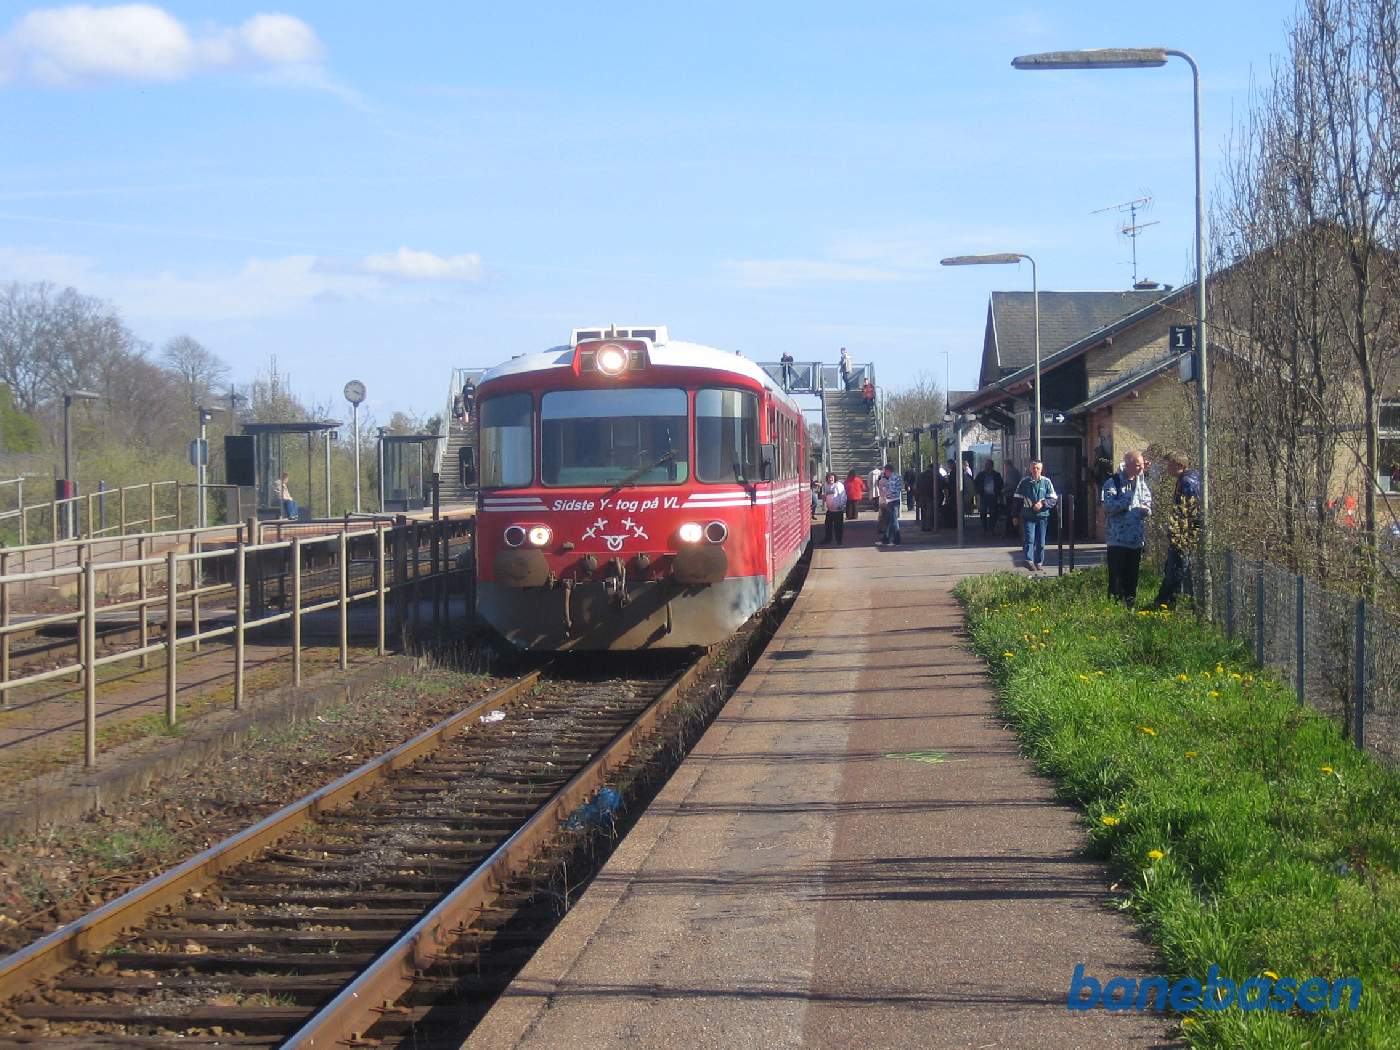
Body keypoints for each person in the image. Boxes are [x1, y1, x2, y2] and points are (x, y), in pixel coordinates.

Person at [1102, 450, 1152, 603]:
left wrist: (1146, 510)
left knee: (1132, 575)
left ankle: (1130, 603)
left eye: (1142, 466)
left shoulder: (1141, 483)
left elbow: (1147, 501)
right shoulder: (1113, 483)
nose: (1141, 469)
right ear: (1128, 465)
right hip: (1117, 539)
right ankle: (1115, 604)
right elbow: (1108, 507)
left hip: (1135, 539)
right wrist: (1127, 501)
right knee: (1117, 575)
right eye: (1138, 465)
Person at [1152, 451, 1200, 609]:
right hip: (1183, 533)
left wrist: (1180, 533)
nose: (1167, 469)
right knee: (1173, 568)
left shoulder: (1187, 482)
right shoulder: (1187, 478)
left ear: (1180, 466)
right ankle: (1166, 601)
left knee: (1176, 569)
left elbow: (1187, 511)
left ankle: (1167, 602)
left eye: (1169, 465)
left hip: (1184, 534)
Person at [1013, 460, 1056, 572]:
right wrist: (1015, 516)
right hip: (1028, 516)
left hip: (1042, 516)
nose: (1035, 470)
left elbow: (1053, 499)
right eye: (1033, 468)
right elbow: (1017, 499)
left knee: (1041, 541)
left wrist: (1042, 503)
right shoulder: (1024, 482)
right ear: (1030, 469)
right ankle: (1029, 560)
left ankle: (1039, 562)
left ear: (1041, 469)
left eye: (1037, 468)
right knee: (1029, 539)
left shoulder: (1046, 482)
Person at [976, 459, 1004, 534]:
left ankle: (992, 528)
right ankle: (985, 528)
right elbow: (976, 483)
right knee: (983, 512)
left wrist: (999, 494)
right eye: (986, 465)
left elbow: (1001, 484)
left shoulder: (996, 475)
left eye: (989, 465)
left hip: (993, 496)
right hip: (984, 496)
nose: (987, 466)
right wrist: (978, 492)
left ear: (992, 466)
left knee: (994, 513)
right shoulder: (981, 475)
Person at [877, 462, 903, 545]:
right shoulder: (897, 476)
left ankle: (897, 539)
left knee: (893, 521)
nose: (884, 473)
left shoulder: (892, 478)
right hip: (895, 500)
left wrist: (885, 491)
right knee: (890, 521)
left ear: (888, 471)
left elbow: (891, 490)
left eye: (885, 471)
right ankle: (886, 538)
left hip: (892, 500)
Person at [821, 472, 847, 544]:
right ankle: (828, 539)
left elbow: (843, 496)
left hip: (838, 510)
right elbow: (824, 496)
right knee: (828, 525)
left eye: (832, 477)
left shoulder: (839, 485)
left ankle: (839, 540)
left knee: (838, 526)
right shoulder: (826, 485)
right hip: (830, 510)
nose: (830, 479)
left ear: (835, 478)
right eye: (829, 478)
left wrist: (841, 505)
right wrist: (823, 497)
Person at [915, 463, 937, 531]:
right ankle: (928, 526)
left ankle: (923, 525)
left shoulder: (921, 475)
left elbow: (917, 485)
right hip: (930, 495)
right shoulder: (933, 475)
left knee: (923, 511)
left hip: (921, 495)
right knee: (929, 511)